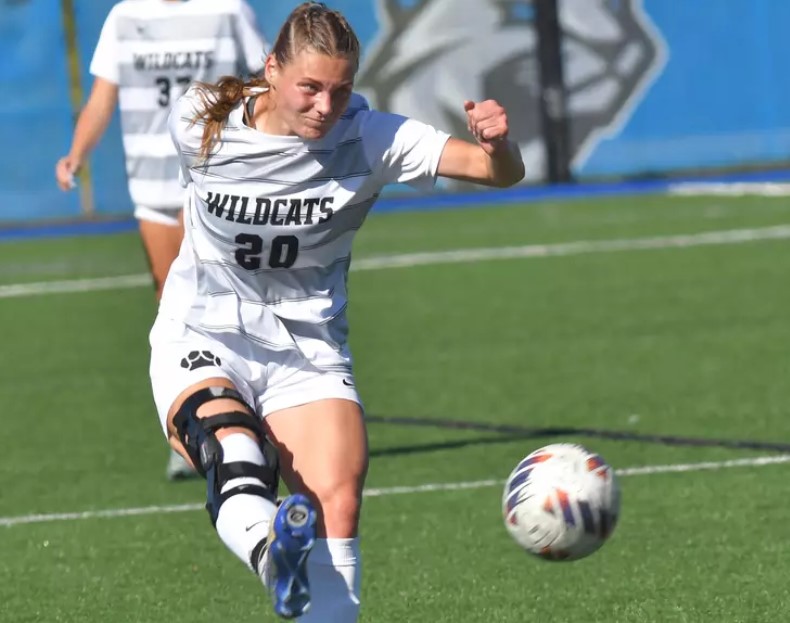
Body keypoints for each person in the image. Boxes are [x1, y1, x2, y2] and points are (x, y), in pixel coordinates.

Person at [150, 1, 525, 620]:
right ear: (272, 69)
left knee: (336, 502)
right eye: (311, 87)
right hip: (203, 332)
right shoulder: (199, 122)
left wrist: (499, 143)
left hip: (309, 345)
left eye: (341, 89)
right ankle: (273, 553)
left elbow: (496, 172)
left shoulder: (369, 138)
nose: (326, 106)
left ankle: (290, 563)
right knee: (233, 451)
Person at [54, 0, 268, 480]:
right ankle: (190, 428)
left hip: (216, 181)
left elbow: (265, 82)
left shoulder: (228, 10)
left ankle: (252, 414)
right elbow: (103, 96)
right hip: (152, 185)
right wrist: (76, 153)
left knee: (230, 299)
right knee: (170, 305)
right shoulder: (125, 17)